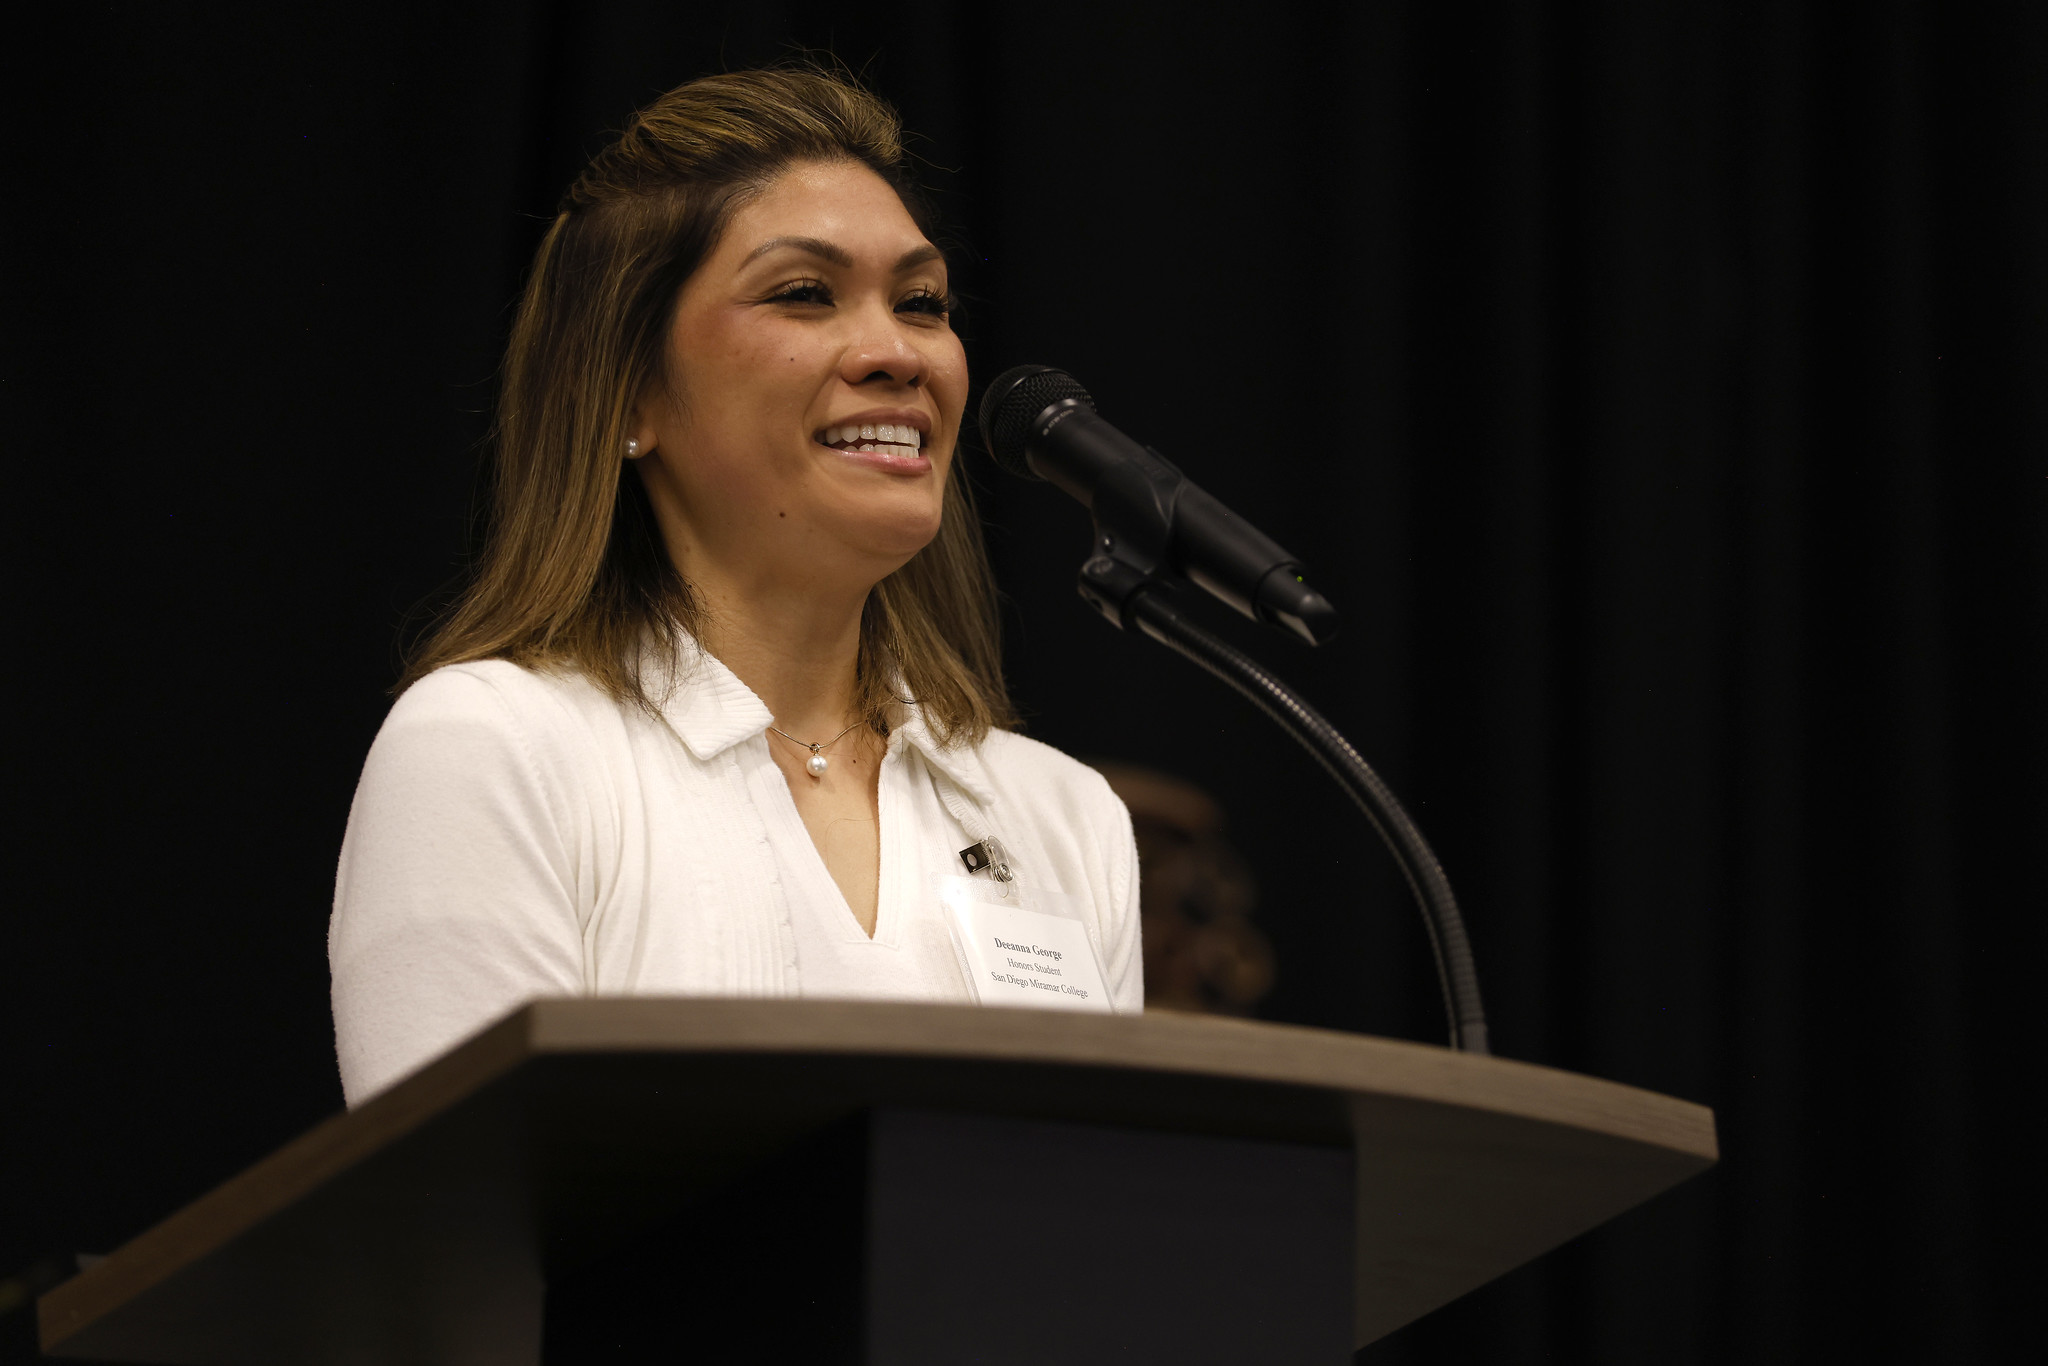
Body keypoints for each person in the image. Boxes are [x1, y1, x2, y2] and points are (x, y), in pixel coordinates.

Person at [328, 68, 1143, 1106]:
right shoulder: (495, 749)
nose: (897, 353)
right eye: (804, 293)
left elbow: (1099, 1198)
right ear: (628, 391)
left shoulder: (1063, 816)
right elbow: (467, 1203)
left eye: (922, 303)